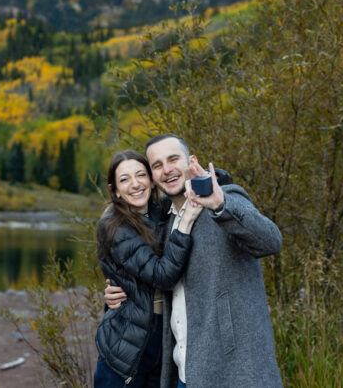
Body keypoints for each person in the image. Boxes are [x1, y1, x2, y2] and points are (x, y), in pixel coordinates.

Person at [104, 134, 283, 388]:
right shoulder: (163, 223)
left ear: (191, 161)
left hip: (235, 372)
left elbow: (271, 241)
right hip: (184, 373)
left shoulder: (225, 200)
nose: (167, 170)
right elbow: (153, 273)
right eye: (157, 165)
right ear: (153, 178)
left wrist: (220, 204)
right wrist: (115, 294)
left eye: (173, 159)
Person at [94, 150, 203, 388]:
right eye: (124, 179)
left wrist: (207, 177)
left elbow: (183, 188)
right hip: (128, 345)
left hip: (163, 336)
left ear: (152, 179)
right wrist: (184, 225)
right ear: (115, 190)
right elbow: (162, 276)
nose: (135, 184)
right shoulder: (115, 226)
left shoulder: (157, 211)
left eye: (141, 175)